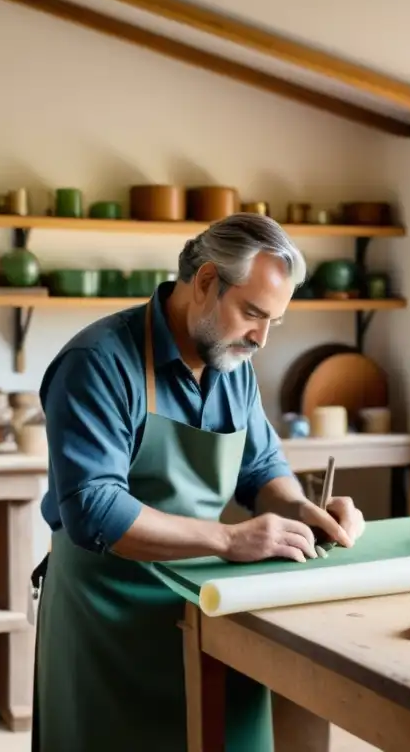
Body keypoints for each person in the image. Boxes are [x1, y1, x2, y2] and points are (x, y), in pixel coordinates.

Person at [31, 212, 366, 752]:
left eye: (273, 322)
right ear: (206, 281)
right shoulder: (97, 363)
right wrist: (231, 540)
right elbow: (93, 509)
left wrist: (302, 510)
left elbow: (261, 470)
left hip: (203, 600)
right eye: (252, 314)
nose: (260, 338)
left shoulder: (233, 364)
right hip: (107, 617)